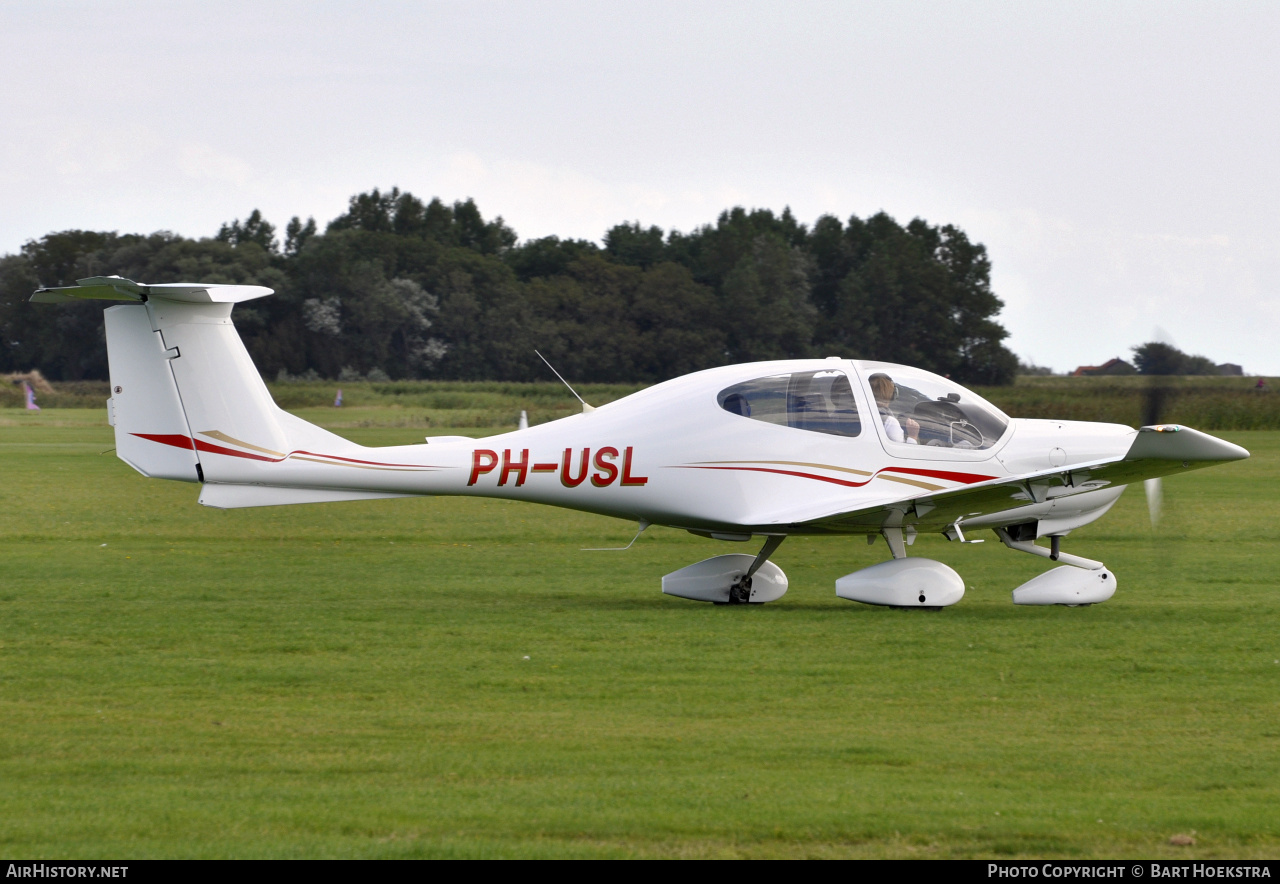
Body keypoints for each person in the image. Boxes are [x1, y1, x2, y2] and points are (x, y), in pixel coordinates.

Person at [868, 372, 919, 444]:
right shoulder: (889, 422)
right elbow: (903, 453)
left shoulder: (862, 414)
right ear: (893, 395)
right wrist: (913, 436)